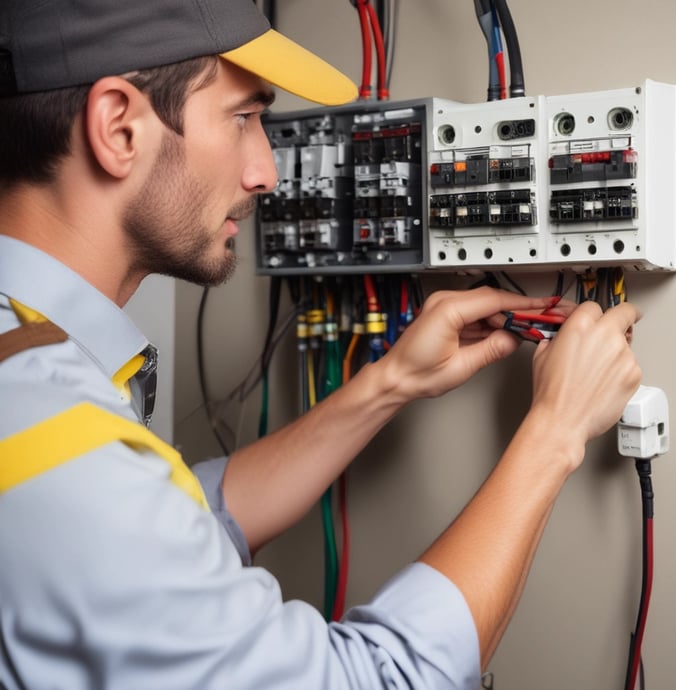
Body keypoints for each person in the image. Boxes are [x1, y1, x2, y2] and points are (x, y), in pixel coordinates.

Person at [0, 0, 642, 687]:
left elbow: (187, 515)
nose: (267, 173)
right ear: (118, 127)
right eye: (243, 119)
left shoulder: (36, 387)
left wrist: (390, 381)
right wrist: (554, 434)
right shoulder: (54, 437)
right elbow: (373, 680)